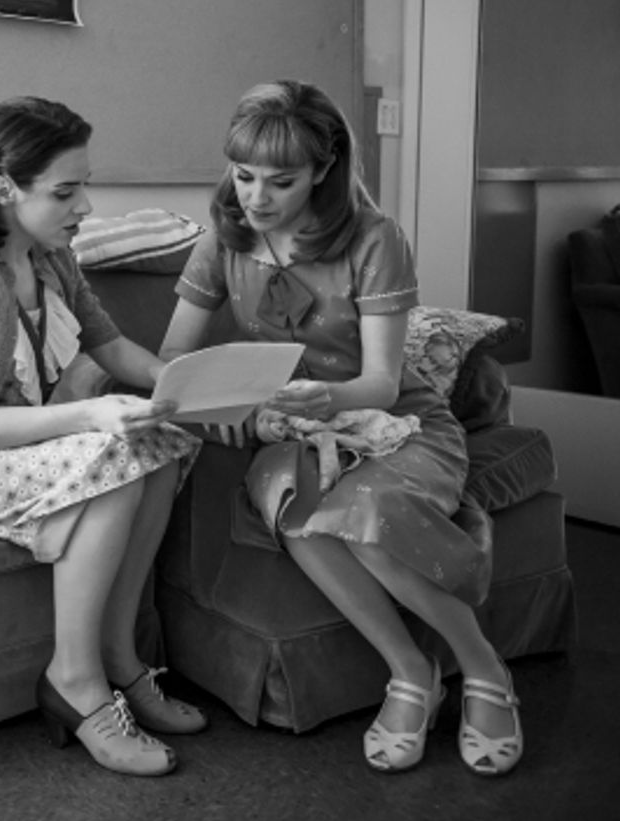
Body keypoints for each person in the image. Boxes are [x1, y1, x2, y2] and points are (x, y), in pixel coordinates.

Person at [160, 79, 523, 776]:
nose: (255, 197)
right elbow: (174, 354)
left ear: (323, 169)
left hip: (397, 419)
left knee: (367, 518)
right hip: (290, 430)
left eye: (281, 181)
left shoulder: (375, 239)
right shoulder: (222, 240)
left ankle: (485, 668)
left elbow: (380, 383)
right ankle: (412, 672)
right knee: (299, 515)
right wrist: (237, 409)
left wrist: (317, 396)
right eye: (243, 175)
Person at [0, 96, 205, 777]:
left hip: (6, 439)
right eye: (65, 191)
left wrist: (184, 388)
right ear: (4, 189)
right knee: (112, 460)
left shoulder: (52, 257)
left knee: (163, 449)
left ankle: (120, 655)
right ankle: (75, 680)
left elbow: (112, 347)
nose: (85, 206)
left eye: (84, 185)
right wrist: (92, 415)